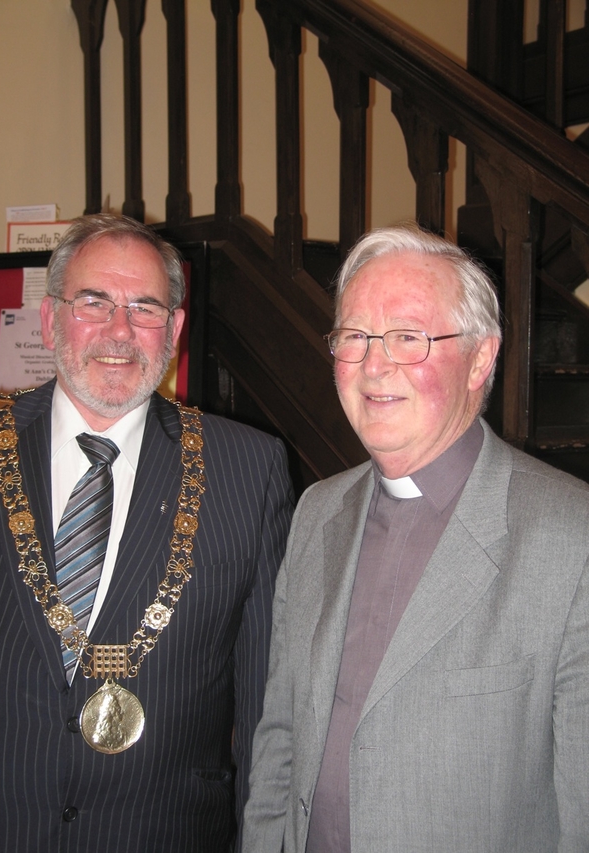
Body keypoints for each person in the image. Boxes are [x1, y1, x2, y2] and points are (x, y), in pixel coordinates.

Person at [0, 214, 294, 853]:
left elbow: (268, 712)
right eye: (94, 302)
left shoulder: (249, 468)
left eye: (145, 308)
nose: (119, 331)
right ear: (51, 319)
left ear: (176, 330)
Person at [242, 224, 589, 853]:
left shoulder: (572, 539)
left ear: (481, 358)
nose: (374, 365)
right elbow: (281, 738)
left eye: (408, 338)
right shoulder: (317, 512)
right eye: (354, 337)